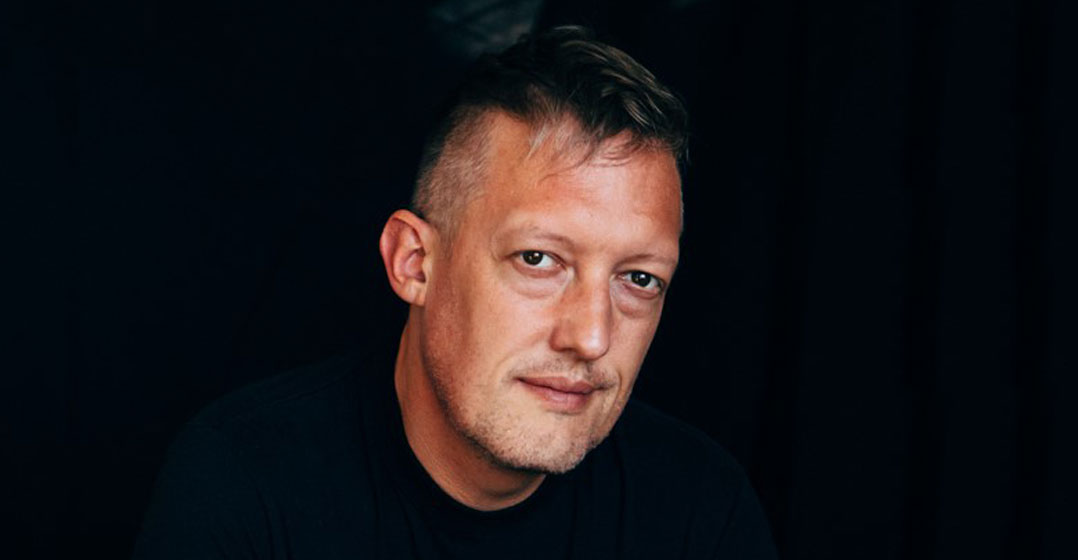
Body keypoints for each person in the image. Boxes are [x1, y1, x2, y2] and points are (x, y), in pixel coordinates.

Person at [133, 26, 778, 559]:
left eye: (638, 278)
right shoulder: (245, 486)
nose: (591, 336)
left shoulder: (700, 510)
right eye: (538, 259)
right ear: (414, 263)